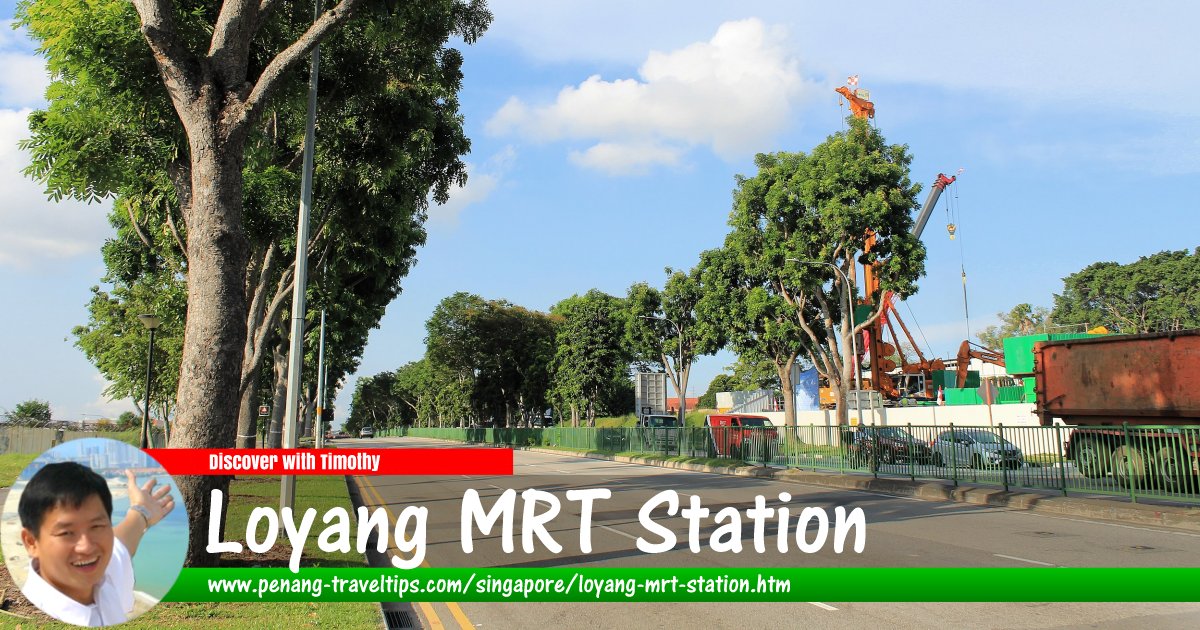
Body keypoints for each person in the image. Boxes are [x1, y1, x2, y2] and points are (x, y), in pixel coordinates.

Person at [18, 462, 175, 627]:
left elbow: (121, 545)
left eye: (96, 526)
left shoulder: (101, 575)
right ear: (31, 542)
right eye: (66, 533)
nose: (86, 547)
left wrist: (142, 511)